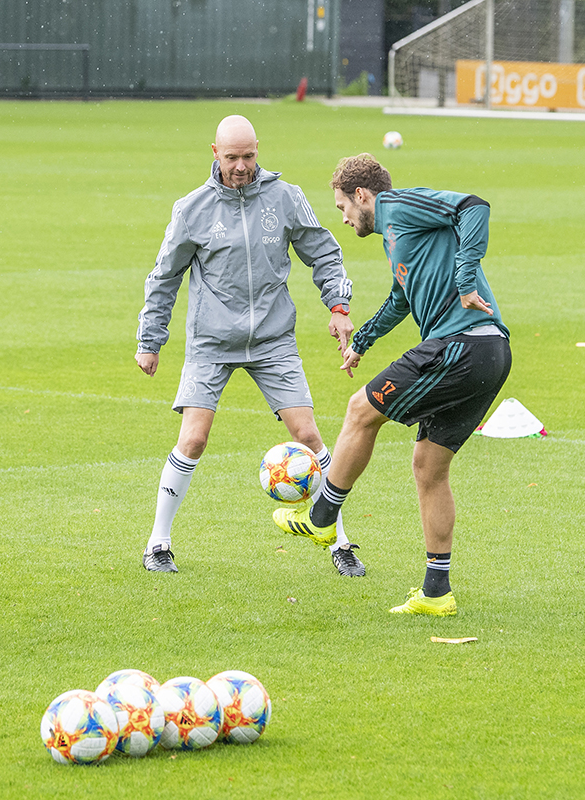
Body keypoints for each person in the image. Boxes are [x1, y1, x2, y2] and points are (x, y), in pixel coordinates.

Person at [273, 154, 511, 616]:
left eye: (343, 206)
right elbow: (402, 297)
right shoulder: (398, 237)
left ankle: (322, 518)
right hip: (489, 354)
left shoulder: (398, 206)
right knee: (428, 467)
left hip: (462, 345)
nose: (343, 218)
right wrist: (362, 340)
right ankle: (437, 593)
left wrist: (465, 278)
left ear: (363, 196)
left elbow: (473, 205)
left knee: (361, 410)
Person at [135, 114, 362, 576]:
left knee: (308, 436)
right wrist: (150, 339)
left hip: (274, 340)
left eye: (249, 156)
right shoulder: (192, 209)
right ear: (214, 153)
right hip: (212, 342)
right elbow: (164, 278)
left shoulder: (285, 197)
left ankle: (339, 541)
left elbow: (323, 251)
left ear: (259, 150)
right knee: (193, 439)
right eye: (232, 157)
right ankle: (158, 543)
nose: (241, 166)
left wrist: (338, 307)